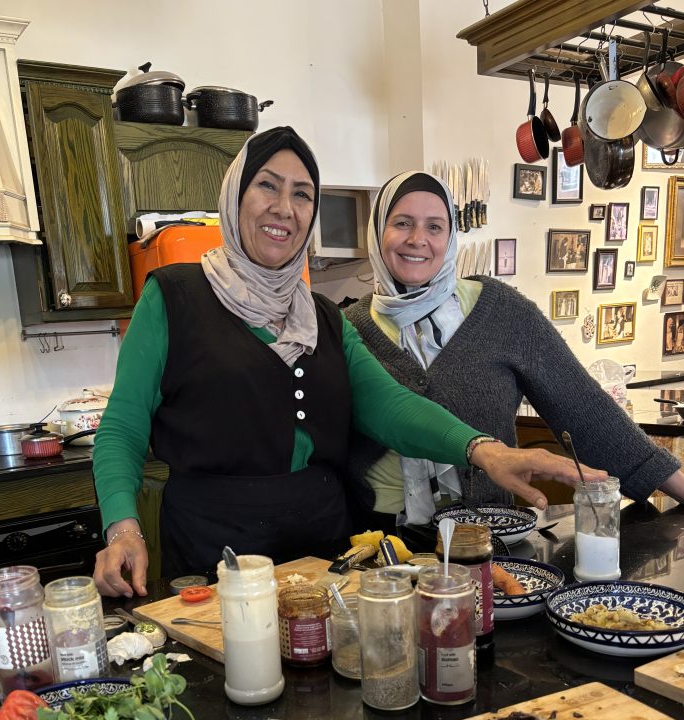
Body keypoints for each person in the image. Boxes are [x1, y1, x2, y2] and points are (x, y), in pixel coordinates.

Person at [92, 133, 603, 598]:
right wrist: (122, 528)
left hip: (325, 550)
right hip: (217, 555)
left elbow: (391, 406)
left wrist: (484, 451)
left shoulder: (322, 318)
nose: (284, 208)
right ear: (234, 197)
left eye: (302, 194)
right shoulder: (173, 298)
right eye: (267, 186)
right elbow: (121, 428)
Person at [343, 169, 684, 530]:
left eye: (434, 227)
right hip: (376, 543)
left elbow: (586, 409)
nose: (417, 239)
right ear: (377, 230)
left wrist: (675, 484)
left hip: (488, 534)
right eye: (402, 223)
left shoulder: (501, 311)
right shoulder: (346, 329)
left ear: (451, 235)